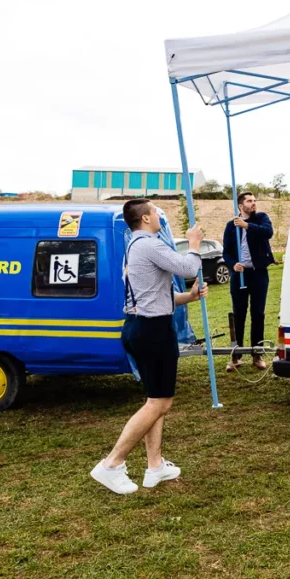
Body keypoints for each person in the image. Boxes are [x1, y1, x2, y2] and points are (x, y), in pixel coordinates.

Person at [90, 199, 208, 495]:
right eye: (155, 212)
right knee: (160, 403)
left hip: (141, 325)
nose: (159, 216)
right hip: (152, 330)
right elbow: (186, 268)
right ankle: (111, 464)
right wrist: (194, 244)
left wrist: (190, 298)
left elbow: (160, 294)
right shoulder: (149, 244)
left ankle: (155, 466)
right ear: (144, 218)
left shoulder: (134, 245)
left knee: (155, 401)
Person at [222, 193, 275, 372]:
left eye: (254, 201)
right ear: (240, 206)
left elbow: (268, 233)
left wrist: (247, 226)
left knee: (258, 313)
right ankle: (236, 355)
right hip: (239, 275)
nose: (253, 204)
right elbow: (226, 252)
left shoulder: (261, 218)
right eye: (249, 201)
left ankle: (257, 354)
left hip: (258, 273)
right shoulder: (231, 226)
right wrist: (232, 264)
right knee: (239, 314)